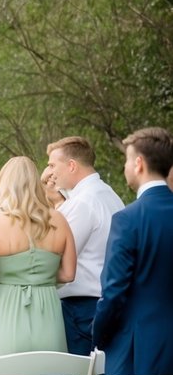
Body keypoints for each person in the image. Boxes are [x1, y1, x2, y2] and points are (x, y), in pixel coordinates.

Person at [93, 127, 173, 375]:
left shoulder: (129, 219)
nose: (126, 168)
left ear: (138, 163)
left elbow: (113, 294)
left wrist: (98, 336)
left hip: (136, 357)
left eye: (127, 161)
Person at [0, 156, 76, 358]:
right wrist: (41, 278)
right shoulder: (59, 220)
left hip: (5, 314)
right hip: (48, 314)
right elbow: (68, 274)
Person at [45, 135, 124, 357]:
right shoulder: (109, 195)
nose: (50, 172)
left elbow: (54, 256)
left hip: (81, 309)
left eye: (52, 165)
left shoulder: (82, 203)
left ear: (71, 166)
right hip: (104, 302)